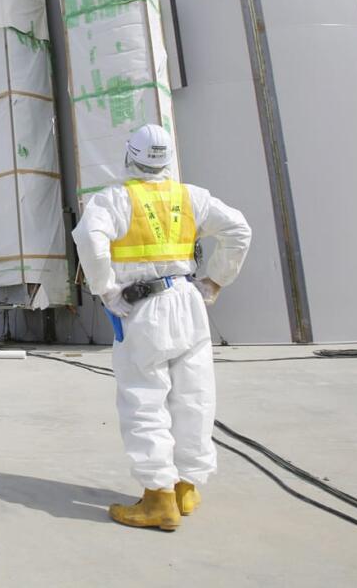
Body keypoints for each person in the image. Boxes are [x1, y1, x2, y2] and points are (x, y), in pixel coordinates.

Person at [72, 124, 251, 531]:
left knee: (144, 399)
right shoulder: (192, 197)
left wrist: (106, 290)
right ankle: (188, 487)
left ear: (129, 156)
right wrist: (216, 279)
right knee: (195, 396)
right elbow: (239, 229)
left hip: (143, 308)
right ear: (168, 160)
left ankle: (158, 498)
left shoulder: (114, 200)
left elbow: (89, 239)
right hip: (188, 301)